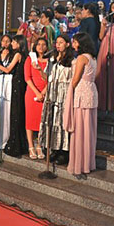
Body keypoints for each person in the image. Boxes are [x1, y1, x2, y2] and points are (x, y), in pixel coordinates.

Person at [0, 35, 29, 158]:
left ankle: (6, 140)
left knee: (9, 113)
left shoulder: (16, 54)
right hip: (2, 83)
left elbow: (8, 70)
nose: (9, 43)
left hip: (11, 84)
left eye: (12, 41)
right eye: (4, 41)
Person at [63, 33, 98, 180]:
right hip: (91, 91)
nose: (73, 44)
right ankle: (87, 163)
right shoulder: (93, 58)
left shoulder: (82, 58)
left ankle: (78, 165)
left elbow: (75, 79)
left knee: (79, 131)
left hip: (81, 94)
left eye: (75, 42)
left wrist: (68, 91)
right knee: (88, 130)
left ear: (81, 43)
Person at [38, 34, 74, 165]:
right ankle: (53, 148)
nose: (58, 45)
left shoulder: (72, 61)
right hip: (52, 93)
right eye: (57, 42)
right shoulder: (52, 59)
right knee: (51, 120)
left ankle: (63, 152)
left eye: (61, 42)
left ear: (67, 44)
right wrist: (39, 70)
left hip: (64, 94)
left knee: (61, 121)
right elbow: (47, 78)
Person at [24, 37, 48, 160]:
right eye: (38, 44)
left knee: (41, 121)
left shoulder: (50, 61)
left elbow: (50, 78)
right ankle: (30, 146)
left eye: (43, 44)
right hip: (32, 92)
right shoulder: (30, 59)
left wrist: (43, 92)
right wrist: (37, 93)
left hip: (45, 93)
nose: (41, 47)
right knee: (30, 120)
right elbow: (27, 78)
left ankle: (39, 145)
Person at [96, 0, 114, 111]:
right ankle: (102, 103)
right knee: (104, 73)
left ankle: (112, 103)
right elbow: (101, 37)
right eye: (113, 7)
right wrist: (103, 25)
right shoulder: (107, 21)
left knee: (113, 74)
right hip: (105, 47)